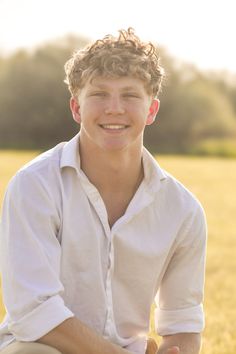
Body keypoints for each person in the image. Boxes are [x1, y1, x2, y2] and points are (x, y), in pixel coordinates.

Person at [0, 28, 207, 354]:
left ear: (151, 110)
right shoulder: (34, 186)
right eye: (99, 95)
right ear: (76, 108)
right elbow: (34, 311)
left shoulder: (183, 210)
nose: (114, 108)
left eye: (130, 95)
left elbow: (183, 323)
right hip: (40, 347)